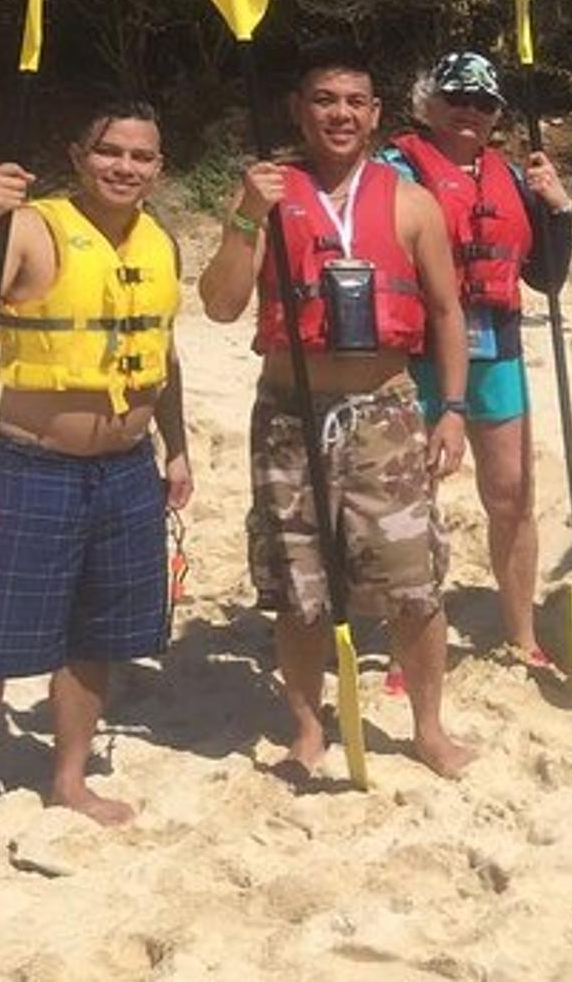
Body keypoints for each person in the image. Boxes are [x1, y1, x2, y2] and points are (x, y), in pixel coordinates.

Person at [0, 100, 192, 871]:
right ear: (79, 154)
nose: (126, 167)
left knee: (95, 636)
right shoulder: (29, 226)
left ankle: (67, 777)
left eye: (142, 156)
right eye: (111, 152)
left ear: (159, 167)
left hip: (129, 468)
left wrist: (177, 448)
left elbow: (163, 355)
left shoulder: (160, 239)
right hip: (36, 464)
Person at [198, 41, 474, 779]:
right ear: (298, 109)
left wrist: (451, 409)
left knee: (413, 580)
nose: (340, 114)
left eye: (355, 101)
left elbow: (447, 312)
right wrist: (247, 218)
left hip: (385, 412)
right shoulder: (263, 191)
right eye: (325, 100)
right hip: (290, 415)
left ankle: (427, 728)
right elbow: (222, 304)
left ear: (377, 114)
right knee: (300, 584)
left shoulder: (412, 201)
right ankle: (307, 727)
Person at [379, 51, 572, 665]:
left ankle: (522, 633)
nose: (470, 110)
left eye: (484, 102)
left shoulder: (516, 177)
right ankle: (409, 639)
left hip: (496, 351)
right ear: (426, 103)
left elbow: (546, 276)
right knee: (413, 499)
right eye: (456, 97)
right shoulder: (393, 169)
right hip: (414, 353)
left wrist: (559, 210)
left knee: (512, 494)